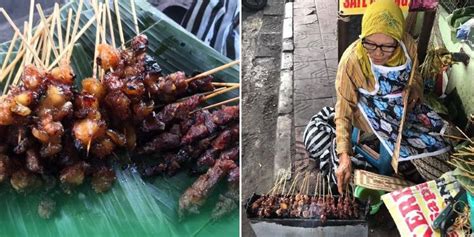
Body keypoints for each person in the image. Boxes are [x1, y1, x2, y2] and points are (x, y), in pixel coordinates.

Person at [333, 0, 451, 194]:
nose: (378, 53)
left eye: (388, 47)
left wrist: (414, 89)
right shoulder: (352, 61)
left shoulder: (408, 45)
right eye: (370, 44)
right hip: (369, 110)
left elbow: (416, 76)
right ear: (363, 36)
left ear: (398, 39)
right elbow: (343, 109)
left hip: (403, 105)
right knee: (414, 148)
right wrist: (344, 155)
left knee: (441, 138)